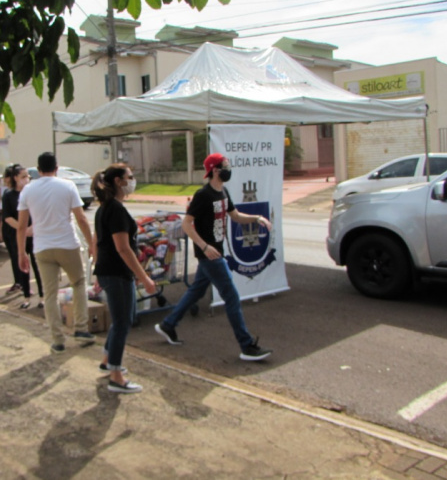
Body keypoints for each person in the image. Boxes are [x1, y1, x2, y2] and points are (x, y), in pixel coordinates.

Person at [155, 153, 273, 361]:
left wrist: (257, 218)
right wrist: (204, 246)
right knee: (232, 296)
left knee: (196, 291)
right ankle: (246, 346)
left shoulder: (223, 192)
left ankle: (168, 325)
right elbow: (186, 224)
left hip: (216, 251)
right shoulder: (203, 195)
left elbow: (235, 216)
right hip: (209, 254)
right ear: (214, 170)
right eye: (224, 165)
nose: (228, 168)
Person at [18, 152, 96, 353]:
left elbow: (21, 226)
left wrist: (21, 253)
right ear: (57, 167)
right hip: (67, 244)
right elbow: (81, 218)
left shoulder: (28, 190)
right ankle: (80, 328)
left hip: (42, 247)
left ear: (38, 168)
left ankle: (57, 339)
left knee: (50, 294)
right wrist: (91, 244)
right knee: (78, 283)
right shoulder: (67, 185)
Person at [92, 164, 158, 394]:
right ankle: (116, 376)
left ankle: (108, 360)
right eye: (130, 177)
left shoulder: (107, 208)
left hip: (113, 271)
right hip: (116, 272)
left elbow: (98, 242)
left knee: (126, 317)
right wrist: (144, 277)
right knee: (122, 323)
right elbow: (123, 248)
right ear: (119, 181)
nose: (133, 180)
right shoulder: (115, 210)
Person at [2, 164, 44, 309]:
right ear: (15, 178)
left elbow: (40, 211)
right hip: (19, 235)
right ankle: (26, 297)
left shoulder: (32, 192)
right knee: (23, 266)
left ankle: (42, 297)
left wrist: (32, 228)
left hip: (34, 233)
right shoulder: (8, 195)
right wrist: (22, 228)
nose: (26, 179)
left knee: (38, 265)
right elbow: (7, 216)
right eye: (23, 177)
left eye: (28, 176)